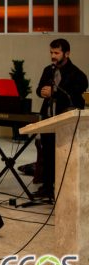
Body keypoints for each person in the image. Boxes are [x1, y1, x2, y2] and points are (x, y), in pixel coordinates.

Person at [34, 38, 87, 199]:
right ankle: (47, 187)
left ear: (67, 53)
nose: (53, 56)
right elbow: (39, 89)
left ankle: (65, 187)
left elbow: (73, 94)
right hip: (48, 117)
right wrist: (41, 92)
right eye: (51, 52)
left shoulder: (78, 75)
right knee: (47, 152)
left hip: (66, 120)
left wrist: (54, 93)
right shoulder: (48, 70)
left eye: (56, 53)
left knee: (65, 154)